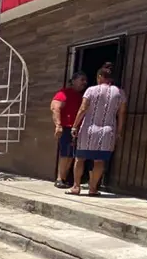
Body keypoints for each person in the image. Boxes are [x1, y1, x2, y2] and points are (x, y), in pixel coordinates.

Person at [67, 62, 127, 196]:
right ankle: (93, 188)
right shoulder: (120, 93)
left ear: (100, 76)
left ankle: (76, 187)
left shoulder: (91, 90)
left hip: (88, 129)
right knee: (99, 161)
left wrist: (75, 126)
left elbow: (83, 109)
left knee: (80, 158)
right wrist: (119, 132)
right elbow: (122, 113)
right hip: (107, 131)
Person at [51, 72, 88, 188]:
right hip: (67, 127)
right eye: (82, 79)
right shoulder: (64, 93)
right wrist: (58, 125)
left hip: (76, 129)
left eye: (85, 80)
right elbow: (55, 108)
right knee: (65, 154)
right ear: (73, 81)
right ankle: (59, 179)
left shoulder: (81, 96)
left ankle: (64, 178)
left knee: (71, 155)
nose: (84, 83)